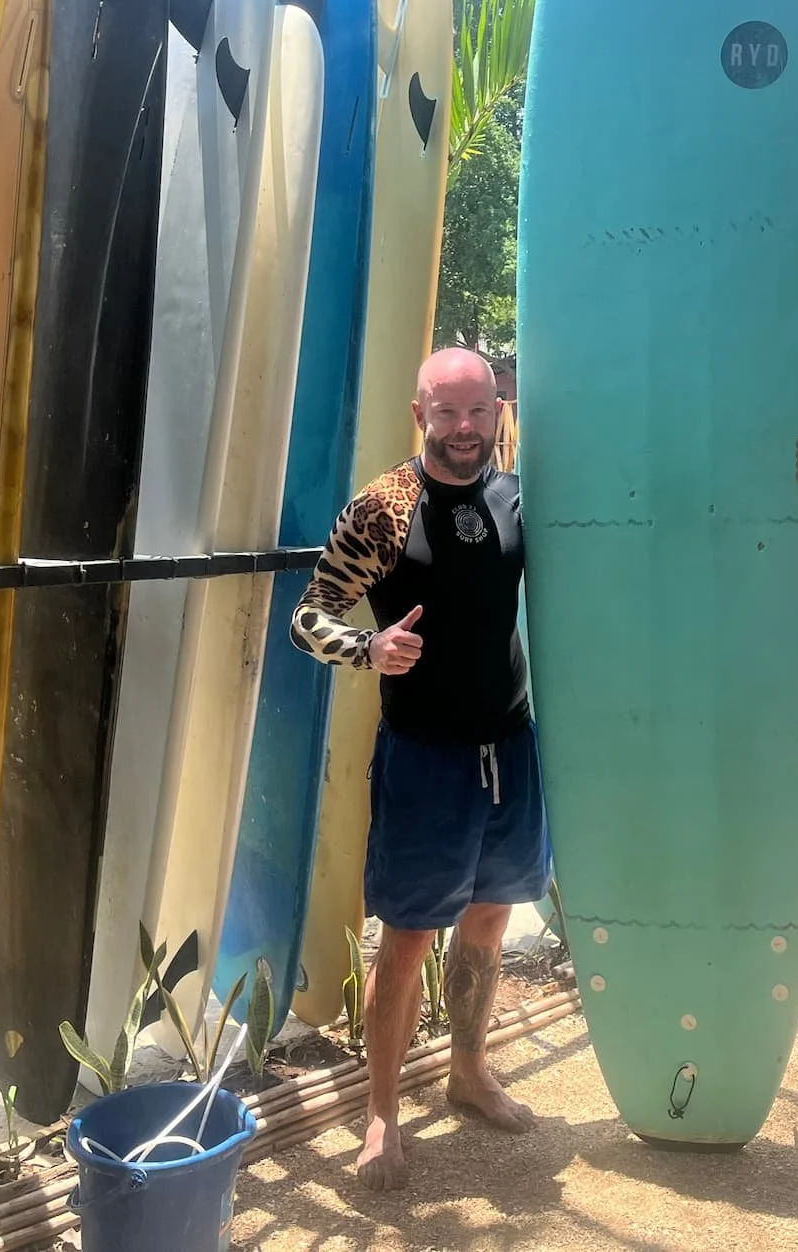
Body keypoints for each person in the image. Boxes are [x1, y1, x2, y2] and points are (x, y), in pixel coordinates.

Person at [289, 346, 546, 1190]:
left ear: (497, 412)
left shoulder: (516, 496)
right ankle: (380, 1117)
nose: (465, 428)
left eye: (479, 411)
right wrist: (371, 646)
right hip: (425, 761)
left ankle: (469, 1072)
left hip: (509, 748)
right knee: (405, 944)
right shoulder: (384, 508)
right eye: (448, 412)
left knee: (488, 924)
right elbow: (309, 618)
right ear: (420, 414)